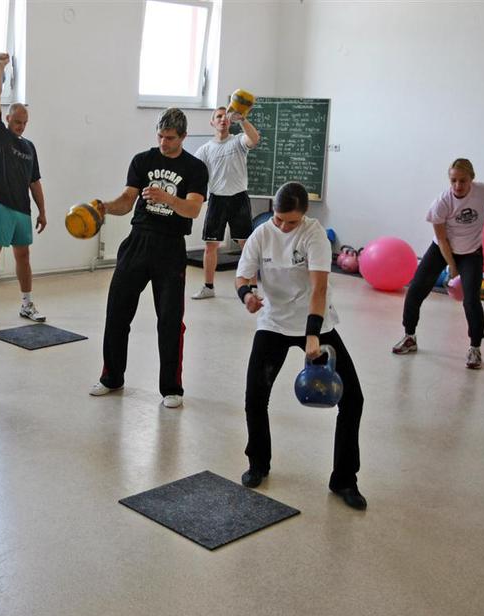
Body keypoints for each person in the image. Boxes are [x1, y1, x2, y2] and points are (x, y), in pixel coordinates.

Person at [235, 181, 366, 510]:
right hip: (274, 322)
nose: (282, 226)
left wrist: (312, 334)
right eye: (278, 218)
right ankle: (258, 463)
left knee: (353, 400)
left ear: (304, 216)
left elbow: (318, 288)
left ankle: (344, 480)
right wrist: (247, 296)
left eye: (290, 221)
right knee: (255, 397)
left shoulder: (314, 235)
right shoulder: (262, 234)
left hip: (315, 321)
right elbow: (242, 276)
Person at [89, 108, 208, 409]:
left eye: (170, 138)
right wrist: (104, 206)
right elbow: (126, 201)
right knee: (117, 312)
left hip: (170, 247)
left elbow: (193, 209)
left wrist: (167, 198)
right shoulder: (142, 160)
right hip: (137, 242)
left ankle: (172, 388)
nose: (164, 142)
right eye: (160, 136)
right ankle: (111, 378)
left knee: (170, 320)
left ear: (183, 136)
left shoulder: (195, 168)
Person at [392, 158, 484, 369]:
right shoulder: (442, 202)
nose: (458, 185)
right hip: (441, 249)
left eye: (463, 180)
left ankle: (475, 348)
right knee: (415, 290)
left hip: (471, 252)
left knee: (471, 301)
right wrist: (452, 267)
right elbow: (442, 239)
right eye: (453, 180)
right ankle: (409, 337)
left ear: (472, 179)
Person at [0, 52, 47, 330]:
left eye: (25, 123)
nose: (21, 126)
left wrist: (42, 210)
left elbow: (35, 181)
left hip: (22, 210)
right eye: (17, 122)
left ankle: (27, 304)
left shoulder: (29, 147)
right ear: (7, 118)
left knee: (23, 257)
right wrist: (0, 68)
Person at [191, 105, 260, 300]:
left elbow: (254, 139)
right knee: (210, 245)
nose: (222, 119)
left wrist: (243, 119)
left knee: (247, 244)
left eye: (225, 116)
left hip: (239, 198)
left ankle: (253, 287)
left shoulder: (238, 141)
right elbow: (193, 172)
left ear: (230, 121)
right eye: (218, 116)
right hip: (217, 200)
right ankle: (208, 287)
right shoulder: (205, 150)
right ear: (212, 122)